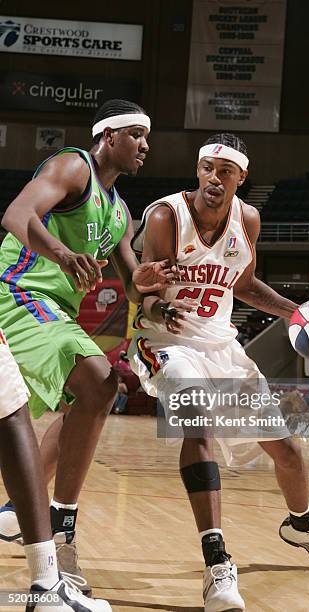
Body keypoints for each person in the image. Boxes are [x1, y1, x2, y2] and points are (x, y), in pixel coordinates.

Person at [128, 133, 309, 611]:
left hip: (222, 349)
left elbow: (244, 282)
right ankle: (217, 564)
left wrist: (298, 314)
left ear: (241, 178)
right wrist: (156, 309)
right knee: (198, 425)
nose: (214, 177)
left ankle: (302, 523)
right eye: (208, 168)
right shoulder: (166, 215)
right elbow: (142, 286)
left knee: (286, 452)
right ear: (198, 170)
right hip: (166, 344)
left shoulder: (247, 219)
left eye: (225, 171)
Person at [0, 99, 173, 593]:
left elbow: (132, 284)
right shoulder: (73, 165)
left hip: (54, 310)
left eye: (147, 138)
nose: (145, 147)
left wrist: (158, 302)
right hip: (17, 290)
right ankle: (58, 525)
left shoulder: (121, 213)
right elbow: (16, 213)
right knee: (100, 383)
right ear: (109, 135)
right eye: (137, 135)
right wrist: (59, 250)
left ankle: (28, 513)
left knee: (97, 391)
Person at [0, 330, 111, 611]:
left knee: (80, 400)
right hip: (22, 295)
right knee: (96, 385)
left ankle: (21, 516)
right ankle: (49, 574)